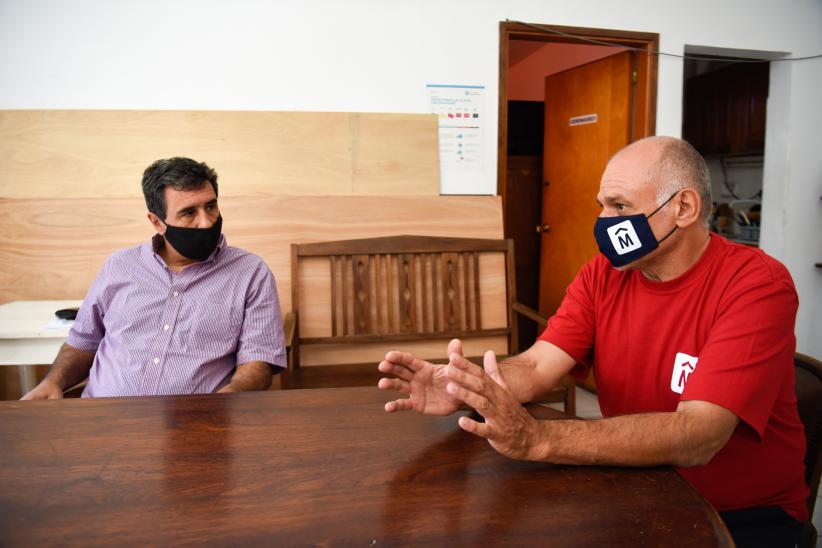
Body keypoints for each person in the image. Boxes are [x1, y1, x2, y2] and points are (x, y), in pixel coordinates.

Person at [378, 136, 807, 547]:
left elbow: (699, 436)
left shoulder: (756, 285)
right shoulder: (603, 274)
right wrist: (462, 385)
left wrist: (539, 439)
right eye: (602, 206)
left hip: (740, 514)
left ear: (684, 207)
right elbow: (537, 366)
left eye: (620, 206)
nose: (604, 222)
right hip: (637, 487)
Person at [22, 157, 286, 398]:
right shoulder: (119, 266)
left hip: (197, 426)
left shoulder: (250, 272)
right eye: (189, 212)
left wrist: (222, 404)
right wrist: (53, 381)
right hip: (104, 421)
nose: (206, 223)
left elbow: (257, 362)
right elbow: (83, 342)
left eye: (211, 206)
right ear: (157, 222)